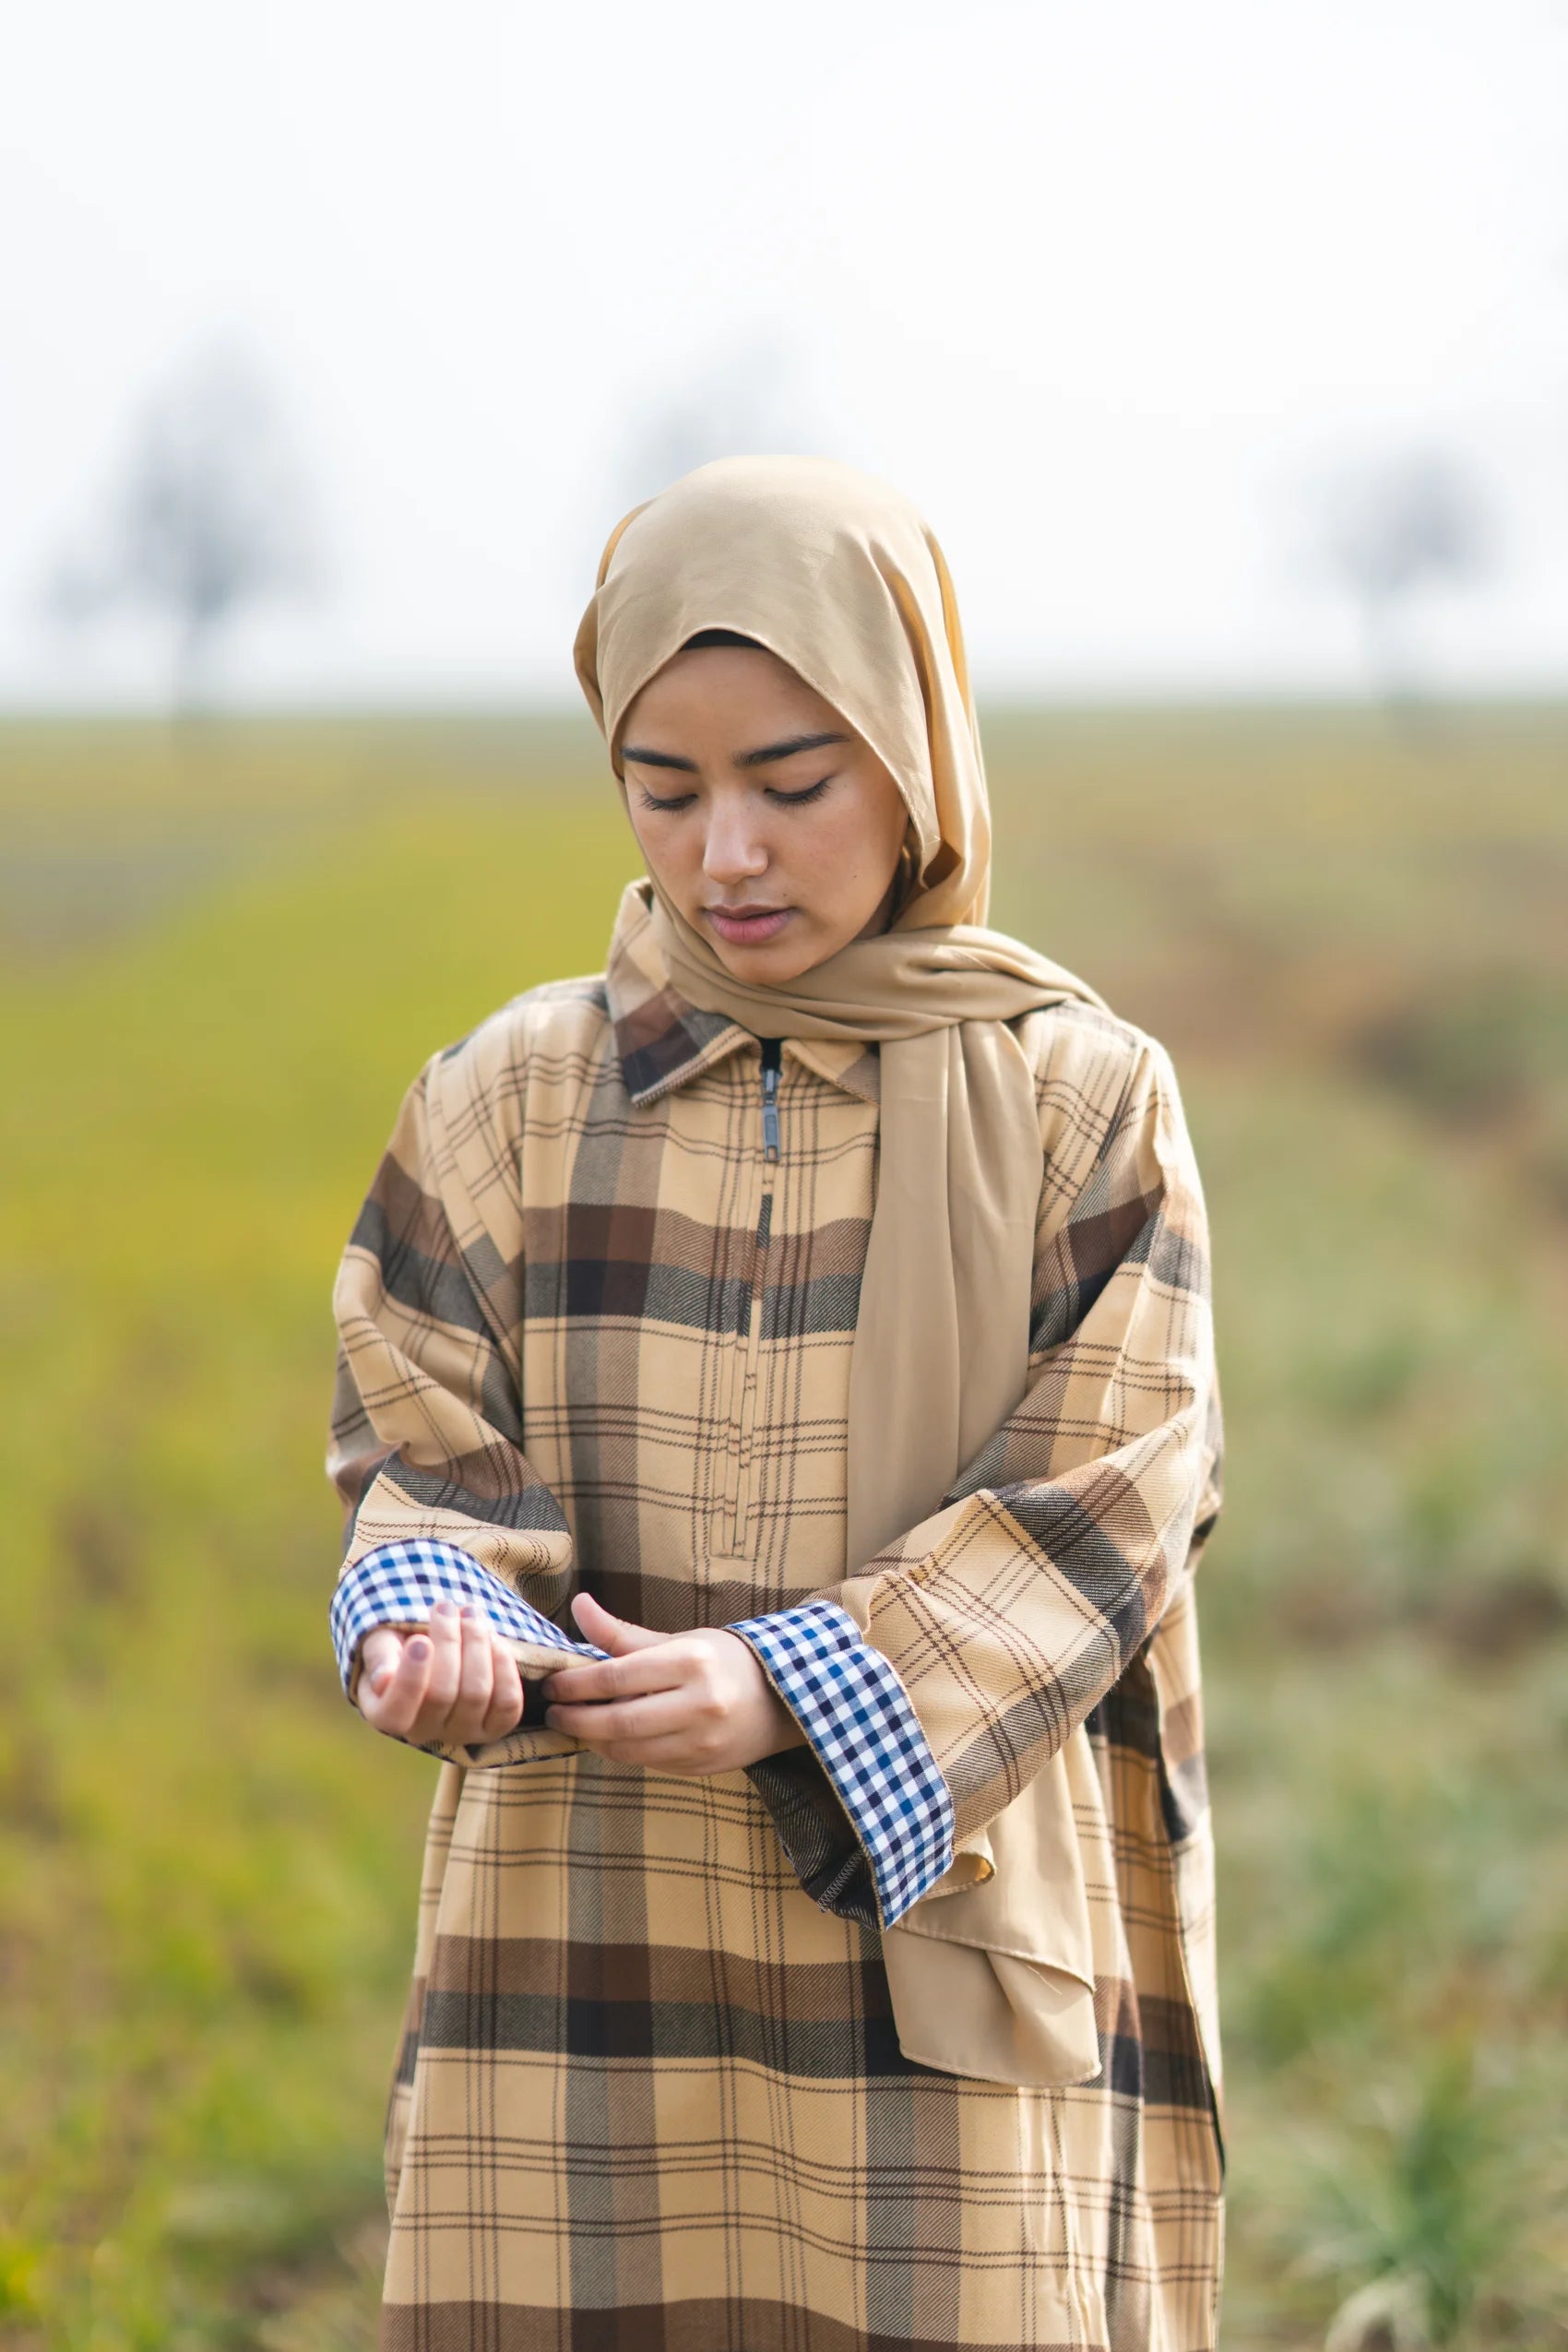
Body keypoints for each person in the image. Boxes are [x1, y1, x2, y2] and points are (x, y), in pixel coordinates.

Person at [326, 457, 1225, 2352]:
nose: (725, 851)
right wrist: (437, 1622)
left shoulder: (1085, 1101)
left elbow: (1112, 1498)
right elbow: (418, 1446)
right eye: (667, 788)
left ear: (915, 755)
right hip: (584, 1933)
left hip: (937, 1930)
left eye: (791, 784)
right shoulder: (506, 1098)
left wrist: (793, 1685)